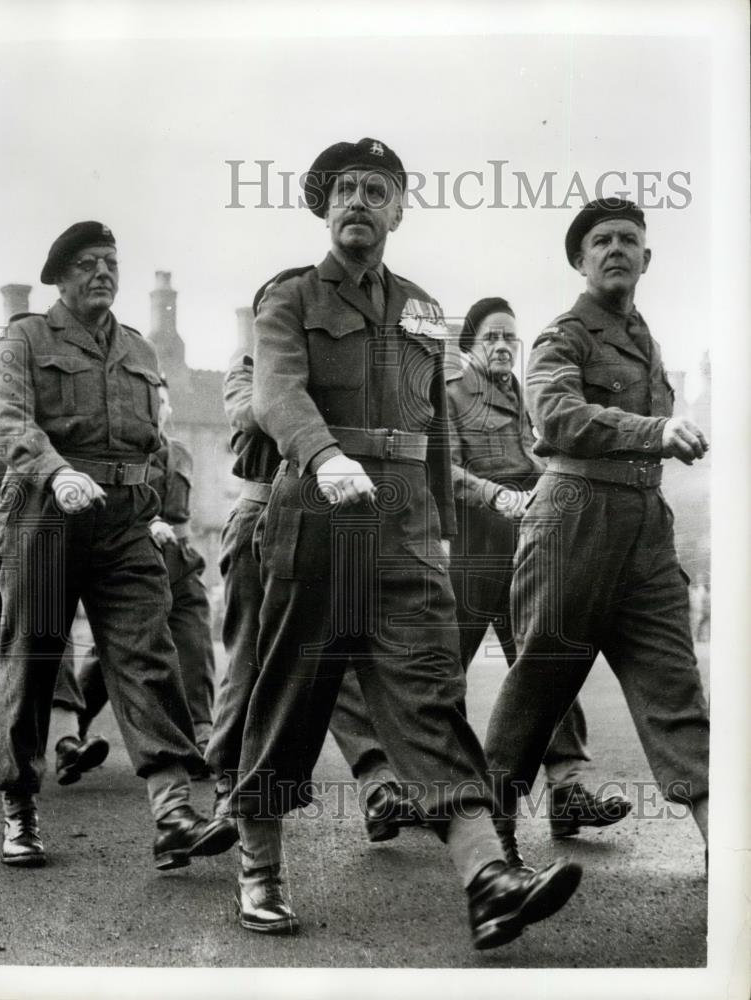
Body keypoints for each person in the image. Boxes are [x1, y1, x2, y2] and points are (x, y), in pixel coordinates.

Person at [227, 138, 582, 949]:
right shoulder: (287, 299)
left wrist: (445, 536)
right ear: (323, 206)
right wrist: (322, 458)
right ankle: (259, 865)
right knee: (292, 694)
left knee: (428, 697)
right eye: (344, 188)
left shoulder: (425, 310)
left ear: (398, 210)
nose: (359, 200)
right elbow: (276, 394)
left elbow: (439, 434)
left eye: (376, 189)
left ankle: (488, 878)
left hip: (408, 527)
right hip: (317, 517)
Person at [0, 221, 236, 869]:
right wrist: (57, 472)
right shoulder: (27, 338)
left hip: (124, 520)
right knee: (34, 655)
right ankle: (19, 807)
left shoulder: (139, 351)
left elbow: (157, 439)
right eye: (89, 263)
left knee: (146, 651)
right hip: (45, 511)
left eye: (111, 263)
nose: (103, 273)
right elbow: (7, 419)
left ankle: (172, 809)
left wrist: (152, 505)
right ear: (61, 276)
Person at [484, 200, 710, 857]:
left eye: (628, 240)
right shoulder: (563, 336)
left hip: (644, 529)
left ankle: (730, 857)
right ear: (579, 260)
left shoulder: (645, 341)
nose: (614, 249)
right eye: (599, 241)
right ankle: (489, 858)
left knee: (675, 693)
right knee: (539, 686)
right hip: (573, 519)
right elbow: (554, 416)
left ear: (646, 258)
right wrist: (654, 431)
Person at [207, 349, 419, 842]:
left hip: (318, 520)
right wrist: (304, 404)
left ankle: (378, 786)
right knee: (246, 661)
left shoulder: (324, 373)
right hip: (257, 515)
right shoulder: (245, 370)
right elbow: (254, 409)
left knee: (331, 660)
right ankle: (227, 790)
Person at [446, 296, 631, 839]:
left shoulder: (525, 395)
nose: (503, 347)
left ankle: (568, 790)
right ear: (471, 347)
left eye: (510, 338)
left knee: (545, 657)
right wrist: (497, 496)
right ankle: (431, 789)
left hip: (528, 544)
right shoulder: (452, 393)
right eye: (492, 338)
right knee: (439, 675)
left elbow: (543, 455)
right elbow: (444, 470)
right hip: (472, 550)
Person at [51, 376, 218, 779]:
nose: (166, 410)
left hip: (180, 562)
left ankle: (202, 737)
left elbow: (184, 511)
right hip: (136, 558)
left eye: (166, 402)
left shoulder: (180, 453)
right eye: (157, 403)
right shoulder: (120, 456)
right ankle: (71, 738)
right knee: (119, 654)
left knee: (194, 642)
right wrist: (150, 523)